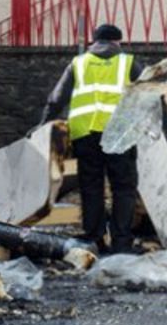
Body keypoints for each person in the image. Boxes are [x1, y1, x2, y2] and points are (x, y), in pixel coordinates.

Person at [40, 24, 142, 254]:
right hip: (119, 133)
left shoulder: (79, 63)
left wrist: (42, 123)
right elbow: (150, 94)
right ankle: (121, 244)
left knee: (91, 187)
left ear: (93, 42)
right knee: (123, 188)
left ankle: (94, 239)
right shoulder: (128, 62)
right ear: (117, 42)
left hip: (85, 133)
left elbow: (57, 98)